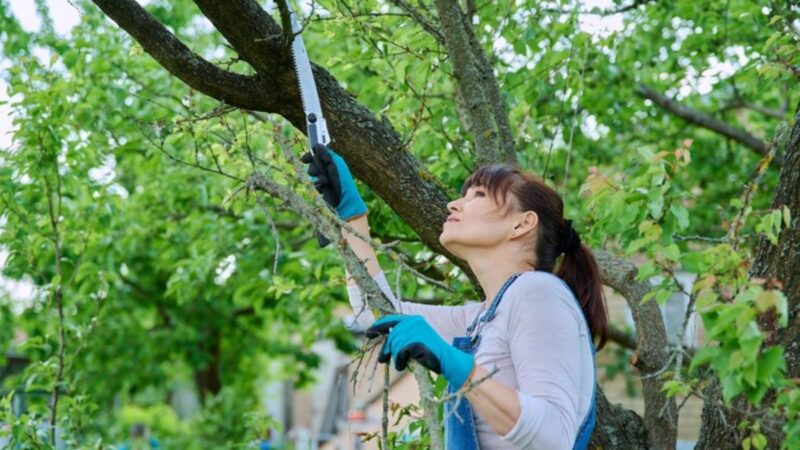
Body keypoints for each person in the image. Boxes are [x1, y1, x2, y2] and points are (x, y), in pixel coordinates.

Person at [302, 145, 608, 450]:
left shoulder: (538, 292)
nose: (453, 204)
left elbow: (553, 437)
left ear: (522, 224)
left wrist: (457, 365)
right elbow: (375, 313)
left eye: (478, 195)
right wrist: (352, 216)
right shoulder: (479, 319)